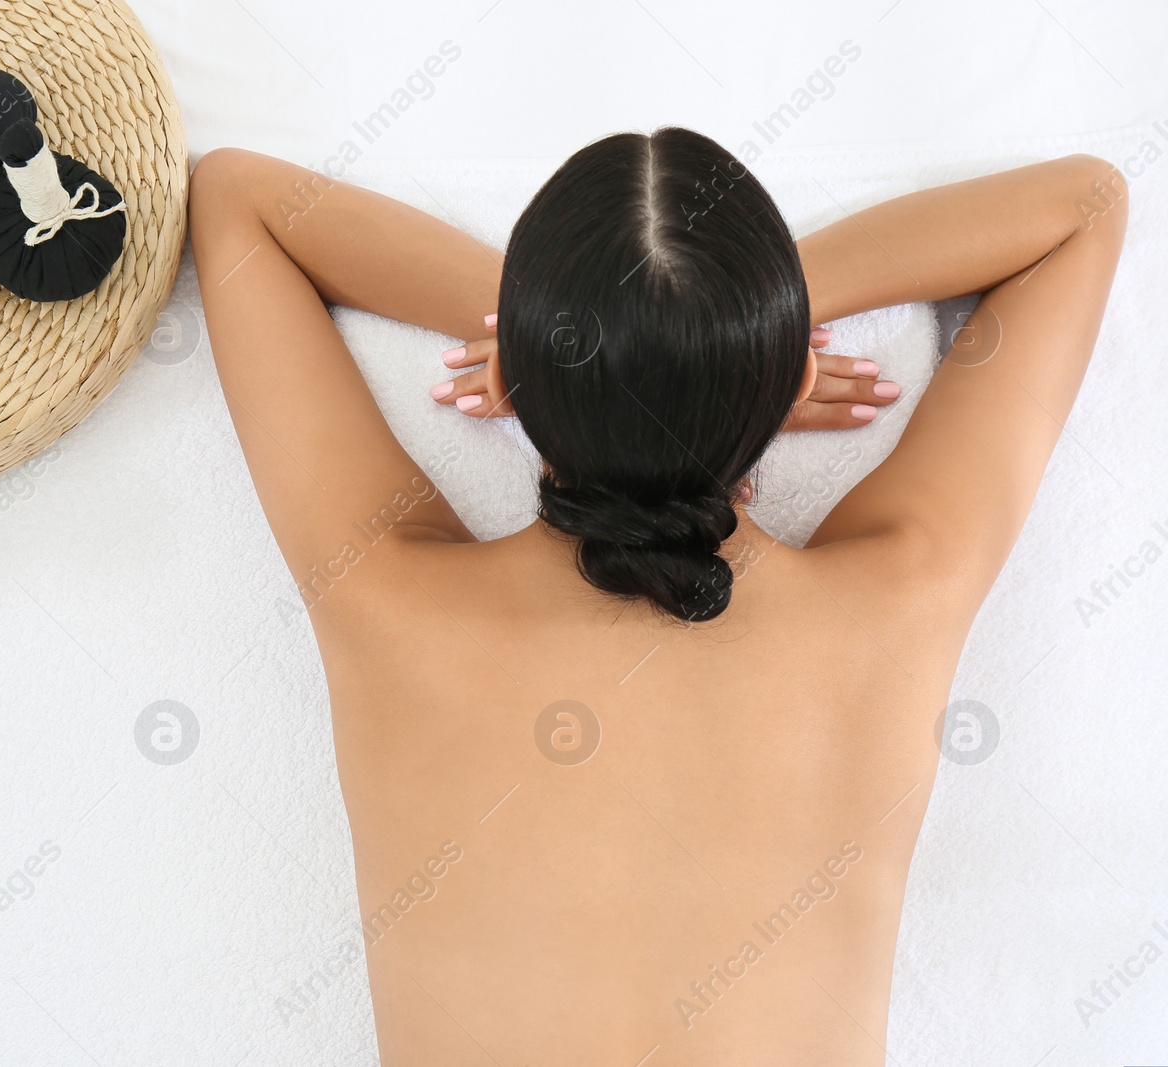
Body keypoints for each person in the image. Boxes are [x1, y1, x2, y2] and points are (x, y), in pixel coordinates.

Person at [187, 127, 1127, 1065]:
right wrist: (729, 344)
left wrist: (583, 347)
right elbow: (1084, 206)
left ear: (511, 380)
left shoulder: (385, 593)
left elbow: (241, 200)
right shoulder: (899, 592)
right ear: (792, 376)